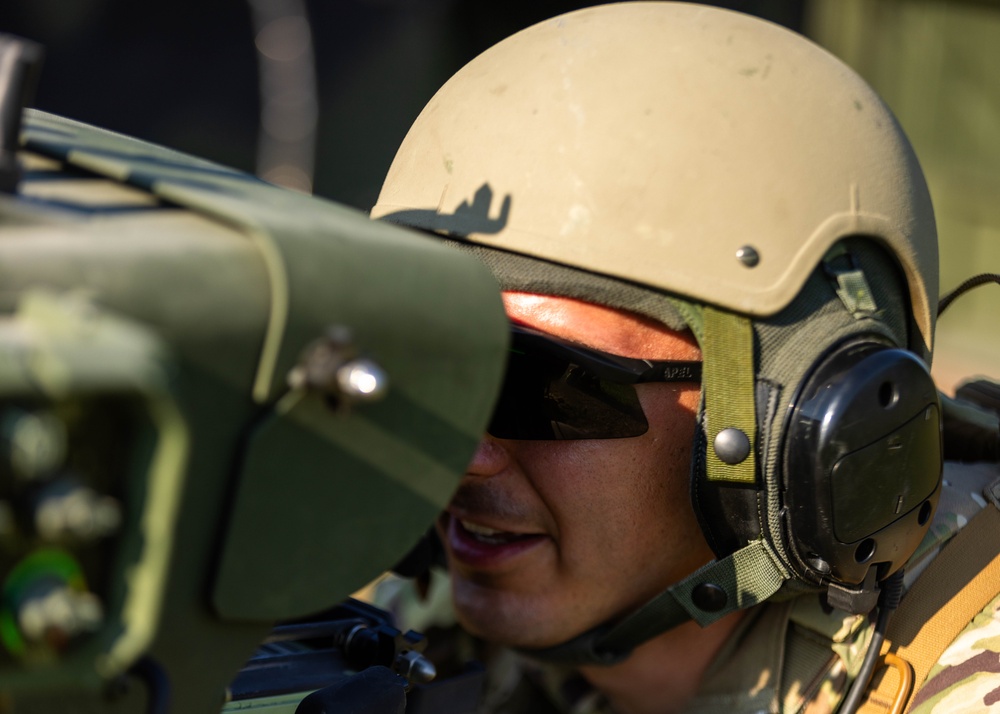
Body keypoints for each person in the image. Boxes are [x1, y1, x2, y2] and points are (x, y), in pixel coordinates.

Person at [370, 3, 1000, 713]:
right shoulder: (416, 625)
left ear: (792, 427)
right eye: (425, 365)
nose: (462, 451)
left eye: (539, 387)